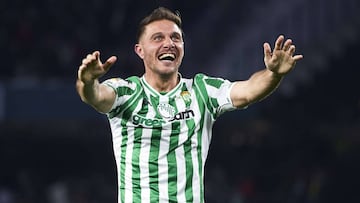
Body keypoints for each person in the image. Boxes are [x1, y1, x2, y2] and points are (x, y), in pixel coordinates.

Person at [76, 7, 303, 203]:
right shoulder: (127, 91)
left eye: (175, 38)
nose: (168, 44)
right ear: (140, 50)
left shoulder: (202, 91)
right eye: (158, 38)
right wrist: (87, 80)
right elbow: (95, 96)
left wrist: (273, 74)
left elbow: (248, 91)